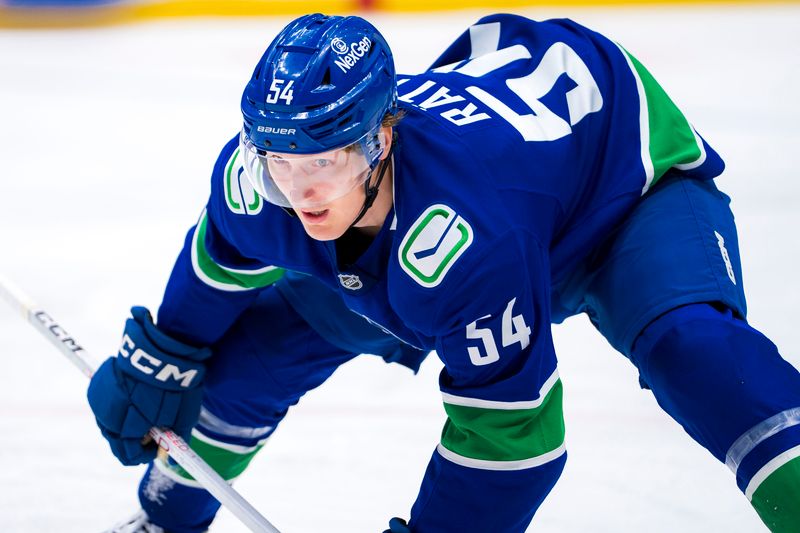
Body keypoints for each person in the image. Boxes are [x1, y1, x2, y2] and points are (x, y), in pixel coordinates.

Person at [88, 12, 800, 533]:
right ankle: (162, 522)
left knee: (698, 353)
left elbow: (515, 438)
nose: (300, 192)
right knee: (247, 366)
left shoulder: (468, 239)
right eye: (281, 162)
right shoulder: (263, 181)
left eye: (325, 162)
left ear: (383, 136)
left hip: (621, 182)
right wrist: (168, 353)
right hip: (486, 207)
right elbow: (221, 268)